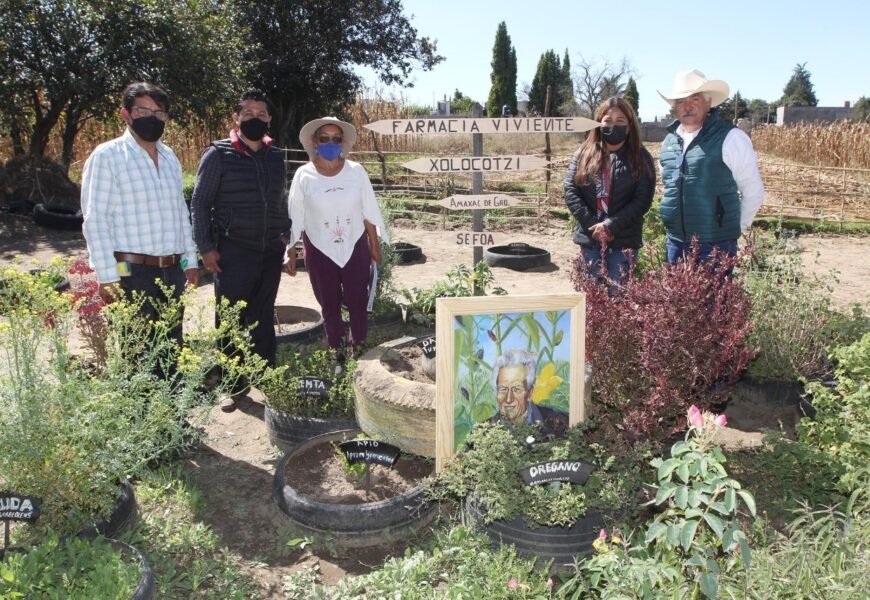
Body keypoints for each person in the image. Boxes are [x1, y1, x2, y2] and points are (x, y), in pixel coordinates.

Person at [81, 81, 199, 356]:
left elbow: (180, 213)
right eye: (144, 111)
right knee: (138, 351)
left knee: (171, 344)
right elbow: (96, 219)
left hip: (170, 269)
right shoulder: (107, 156)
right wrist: (107, 276)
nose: (152, 118)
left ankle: (171, 398)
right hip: (129, 269)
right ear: (126, 114)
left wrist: (189, 261)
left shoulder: (170, 157)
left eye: (159, 113)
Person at [190, 90, 290, 411]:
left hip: (269, 251)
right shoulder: (218, 154)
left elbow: (280, 199)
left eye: (261, 114)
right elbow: (200, 203)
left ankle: (263, 376)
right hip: (233, 251)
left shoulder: (275, 156)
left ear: (269, 119)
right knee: (231, 318)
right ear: (237, 118)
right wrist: (206, 247)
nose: (255, 119)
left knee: (263, 314)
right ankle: (232, 384)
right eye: (248, 114)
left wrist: (285, 234)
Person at [285, 117, 388, 358]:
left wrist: (374, 245)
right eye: (324, 138)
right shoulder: (303, 175)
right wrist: (289, 250)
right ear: (315, 142)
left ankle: (359, 349)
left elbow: (369, 210)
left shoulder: (356, 172)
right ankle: (337, 352)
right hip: (319, 248)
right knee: (329, 304)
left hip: (355, 245)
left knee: (357, 302)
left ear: (343, 143)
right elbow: (295, 215)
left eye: (336, 139)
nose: (330, 143)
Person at [657, 69, 765, 264]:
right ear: (674, 107)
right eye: (681, 101)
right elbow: (669, 188)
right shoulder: (669, 142)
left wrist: (733, 230)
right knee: (675, 295)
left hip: (715, 244)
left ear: (708, 102)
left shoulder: (731, 138)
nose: (687, 106)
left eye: (695, 99)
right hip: (675, 241)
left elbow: (753, 192)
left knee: (713, 295)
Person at [564, 97, 655, 285]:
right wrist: (594, 226)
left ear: (629, 126)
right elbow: (571, 191)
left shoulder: (640, 157)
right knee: (592, 297)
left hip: (623, 241)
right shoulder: (583, 154)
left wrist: (610, 225)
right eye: (607, 120)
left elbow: (643, 199)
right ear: (598, 123)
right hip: (590, 240)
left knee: (618, 298)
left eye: (620, 121)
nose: (613, 125)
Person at [490, 349, 568, 435]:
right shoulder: (484, 431)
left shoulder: (560, 424)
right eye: (503, 389)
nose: (509, 399)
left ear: (530, 392)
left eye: (517, 389)